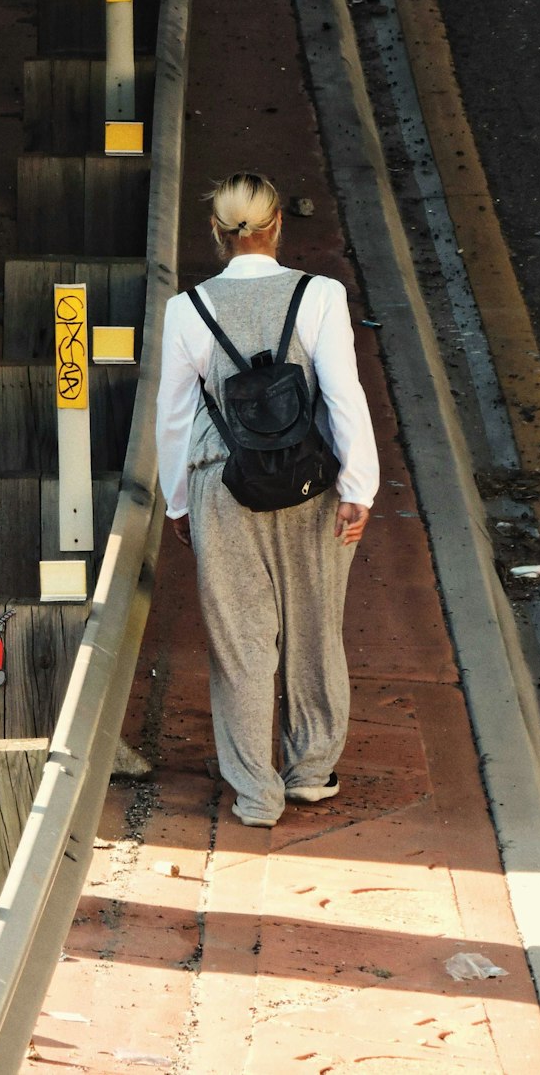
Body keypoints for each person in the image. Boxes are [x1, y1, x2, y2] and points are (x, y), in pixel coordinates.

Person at [156, 171, 379, 828]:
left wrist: (178, 503)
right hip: (313, 484)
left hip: (222, 484)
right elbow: (343, 397)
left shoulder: (186, 309)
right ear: (278, 223)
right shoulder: (321, 295)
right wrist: (359, 488)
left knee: (241, 639)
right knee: (314, 627)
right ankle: (311, 770)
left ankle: (256, 792)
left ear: (217, 232)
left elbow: (172, 415)